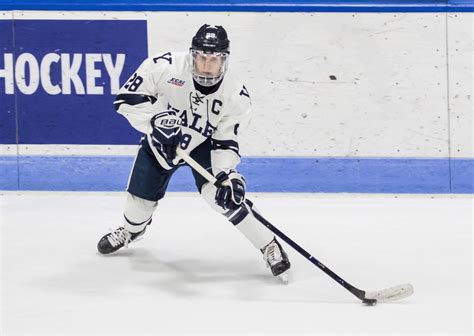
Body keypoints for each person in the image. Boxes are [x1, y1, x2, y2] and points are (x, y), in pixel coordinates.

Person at [97, 24, 291, 282]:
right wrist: (156, 120)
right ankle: (132, 231)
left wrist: (227, 175)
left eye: (214, 58)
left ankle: (268, 245)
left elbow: (225, 142)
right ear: (192, 55)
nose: (207, 65)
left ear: (224, 60)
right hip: (160, 145)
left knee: (221, 197)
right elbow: (125, 99)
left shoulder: (235, 94)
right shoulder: (164, 66)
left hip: (203, 147)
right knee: (137, 208)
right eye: (202, 57)